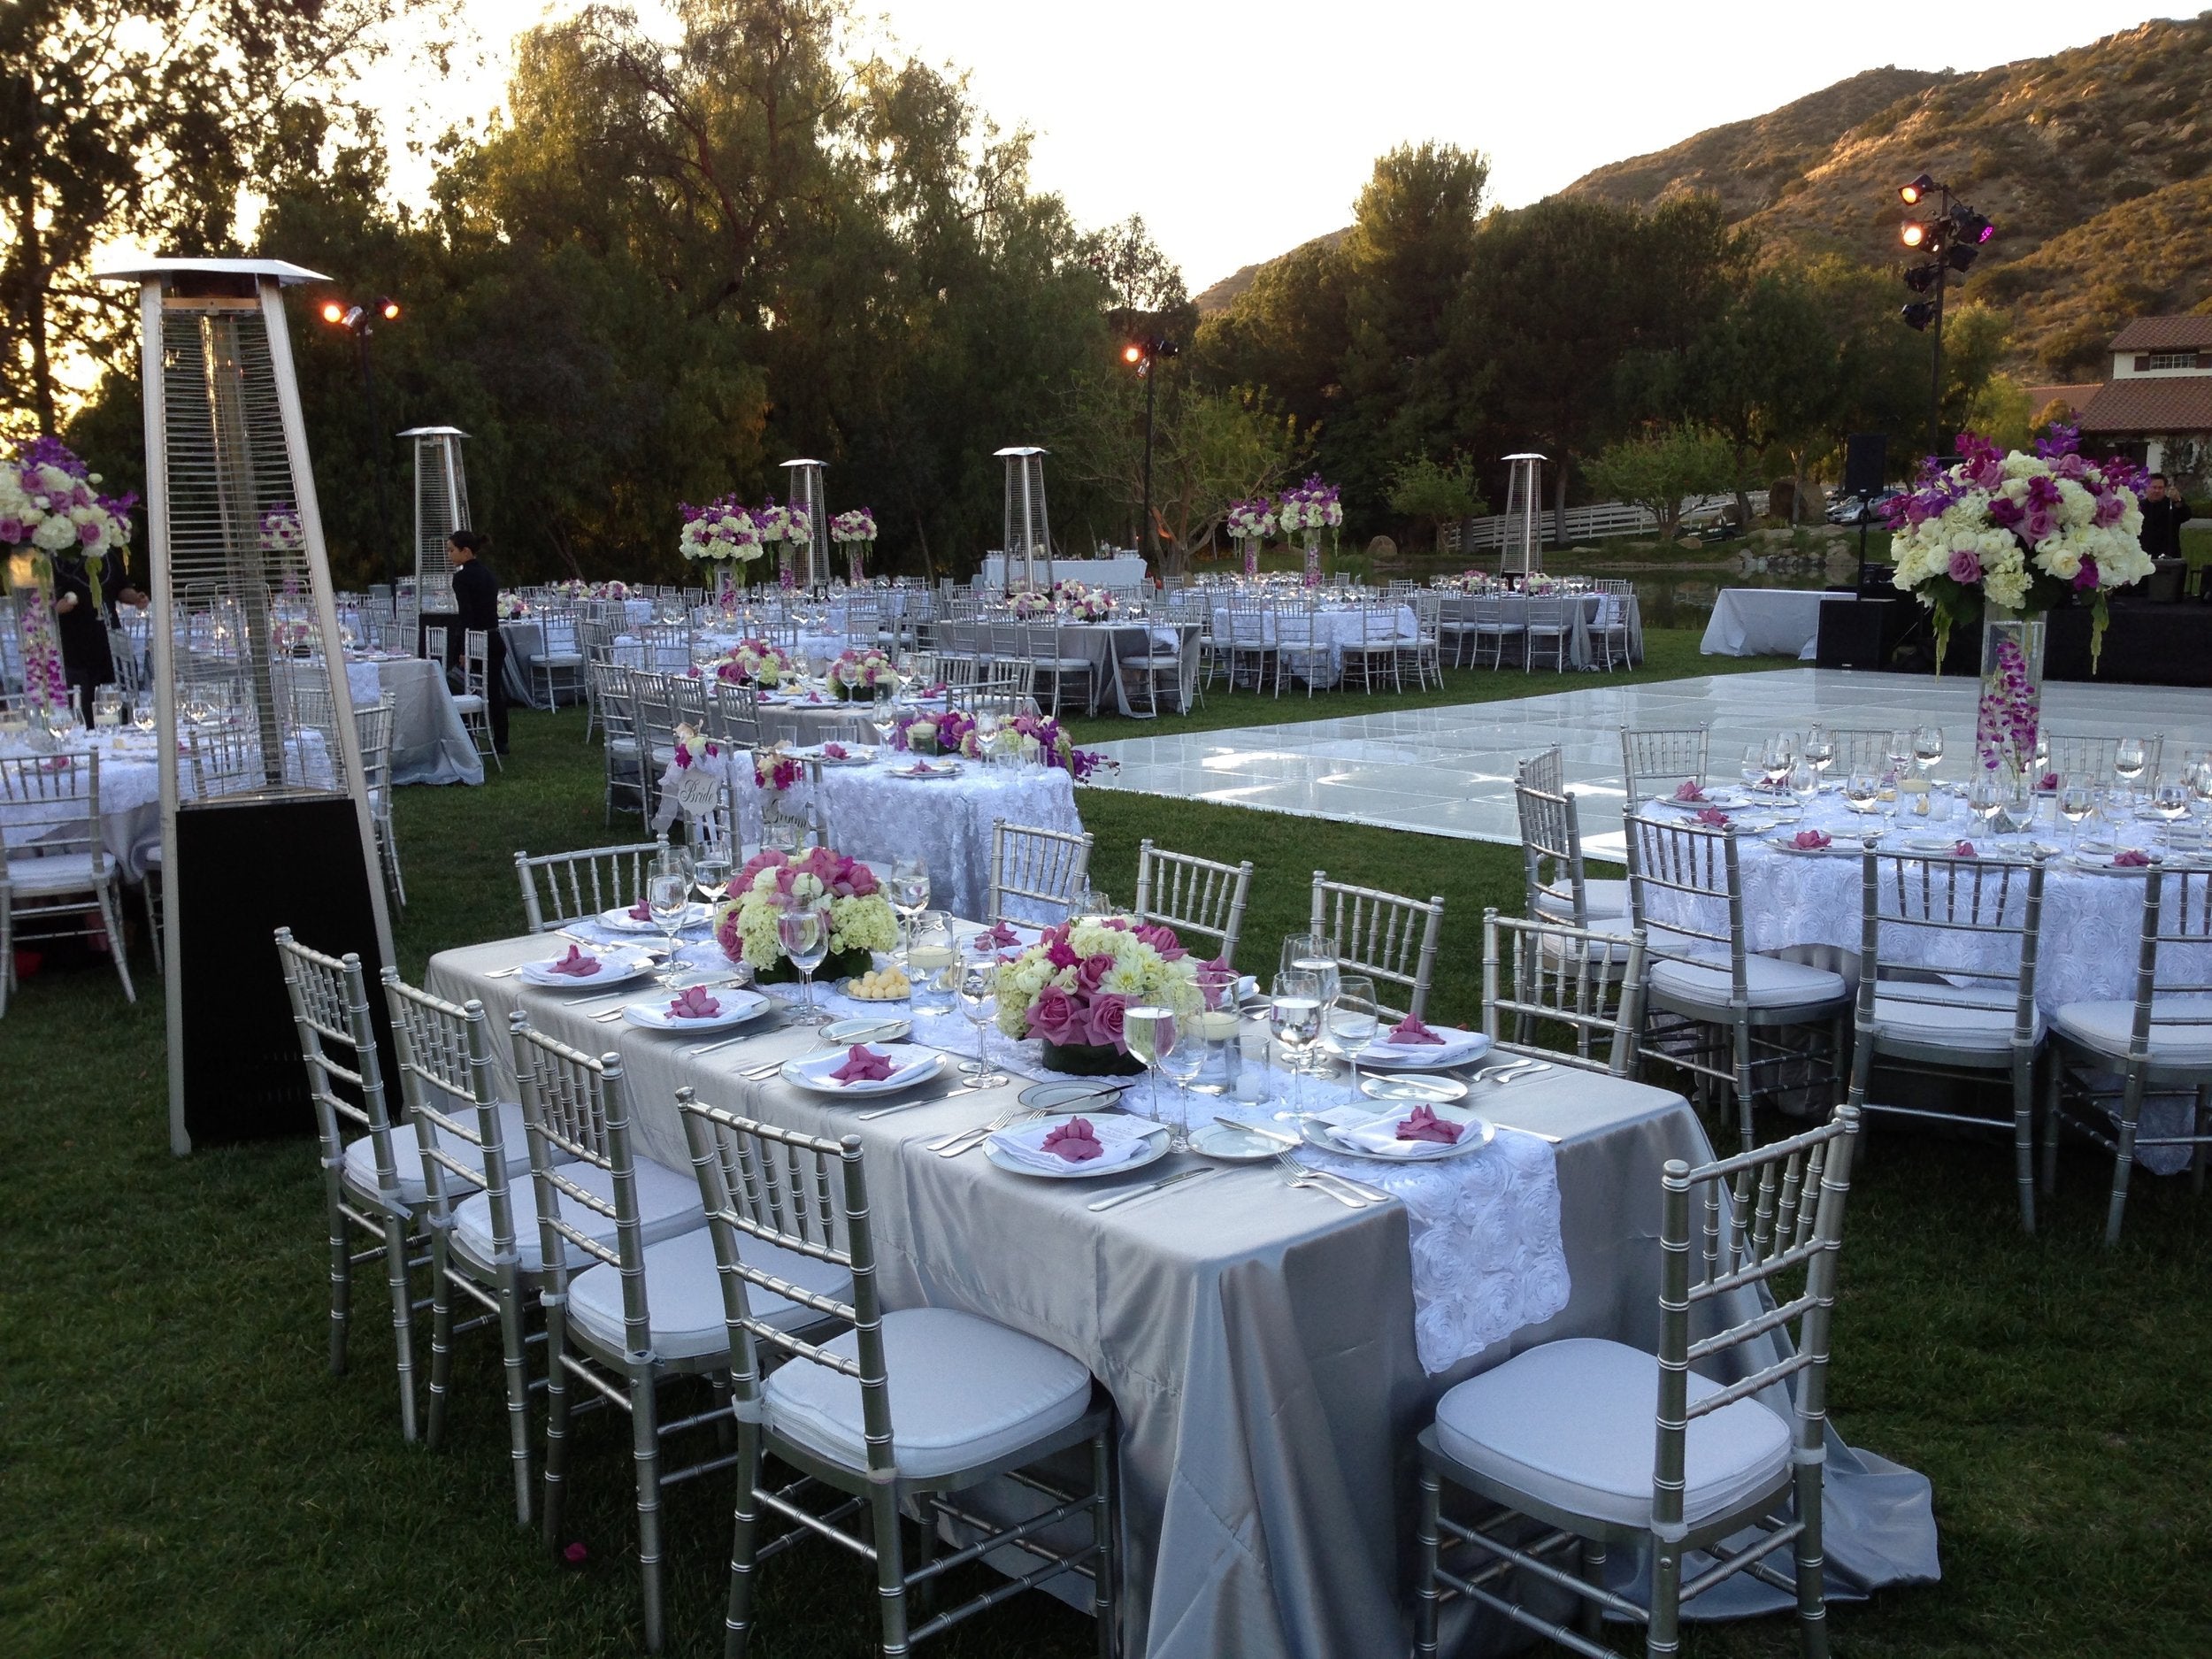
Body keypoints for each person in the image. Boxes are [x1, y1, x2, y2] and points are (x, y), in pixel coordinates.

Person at [50, 547, 148, 724]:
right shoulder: (56, 557)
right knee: (83, 711)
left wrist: (135, 598)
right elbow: (42, 602)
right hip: (73, 648)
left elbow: (121, 588)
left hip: (109, 644)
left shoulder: (104, 553)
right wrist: (57, 608)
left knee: (116, 709)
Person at [447, 529, 509, 756]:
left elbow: (467, 615)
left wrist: (464, 648)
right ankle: (501, 739)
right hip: (494, 637)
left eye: (452, 550)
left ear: (466, 551)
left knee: (461, 685)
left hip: (476, 639)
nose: (450, 555)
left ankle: (465, 733)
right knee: (493, 689)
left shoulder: (462, 578)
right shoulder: (488, 574)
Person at [2139, 472, 2192, 561]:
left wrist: (2178, 500)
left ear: (2164, 489)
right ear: (2146, 488)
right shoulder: (2139, 506)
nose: (2157, 491)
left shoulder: (2171, 505)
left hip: (2167, 557)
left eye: (2160, 488)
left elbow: (2186, 515)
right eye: (2154, 487)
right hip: (2143, 557)